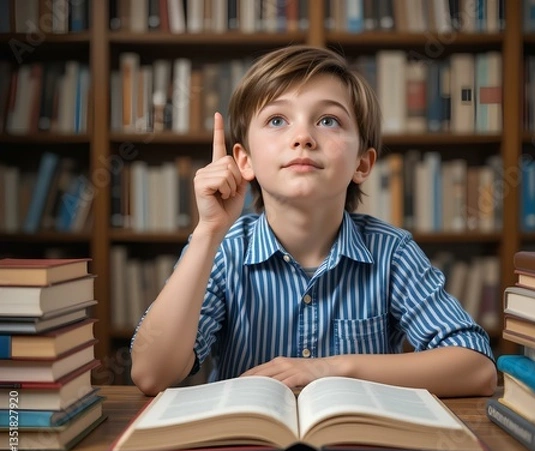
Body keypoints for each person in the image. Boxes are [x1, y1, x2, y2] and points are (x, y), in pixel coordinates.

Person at [130, 45, 497, 398]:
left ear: (362, 164)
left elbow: (477, 368)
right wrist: (208, 231)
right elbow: (151, 373)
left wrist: (330, 369)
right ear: (245, 161)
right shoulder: (224, 251)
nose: (303, 137)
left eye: (328, 120)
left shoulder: (392, 253)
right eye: (277, 120)